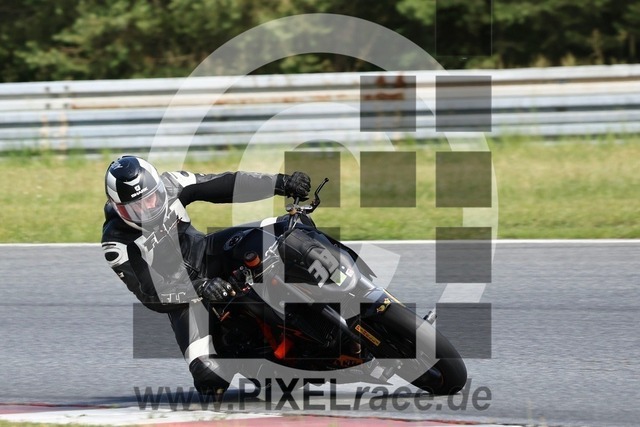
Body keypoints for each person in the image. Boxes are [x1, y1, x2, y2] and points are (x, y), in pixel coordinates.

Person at [101, 155, 310, 398]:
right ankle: (256, 361)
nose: (147, 209)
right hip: (183, 296)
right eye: (134, 207)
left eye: (151, 198)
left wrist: (281, 183)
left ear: (158, 187)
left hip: (208, 253)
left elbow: (227, 184)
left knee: (292, 228)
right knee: (210, 377)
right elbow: (149, 293)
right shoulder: (116, 242)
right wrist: (198, 287)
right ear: (117, 207)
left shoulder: (173, 184)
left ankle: (325, 285)